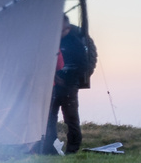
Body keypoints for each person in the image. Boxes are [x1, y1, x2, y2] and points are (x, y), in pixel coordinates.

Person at [35, 15, 97, 155]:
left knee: (71, 118)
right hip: (52, 86)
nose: (59, 33)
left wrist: (68, 79)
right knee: (50, 118)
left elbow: (84, 66)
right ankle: (50, 148)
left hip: (69, 86)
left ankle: (72, 149)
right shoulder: (51, 41)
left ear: (68, 28)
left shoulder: (76, 43)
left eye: (61, 30)